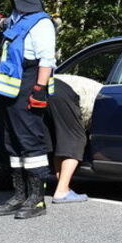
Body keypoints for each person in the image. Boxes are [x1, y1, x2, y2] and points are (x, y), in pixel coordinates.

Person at [0, 0, 57, 220]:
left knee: (30, 142)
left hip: (30, 85)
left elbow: (46, 60)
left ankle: (37, 199)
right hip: (9, 92)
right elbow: (9, 25)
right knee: (12, 143)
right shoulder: (18, 17)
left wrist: (39, 90)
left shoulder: (42, 24)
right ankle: (19, 195)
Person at [46, 74, 102, 203]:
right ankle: (62, 191)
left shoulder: (97, 89)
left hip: (46, 87)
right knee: (76, 139)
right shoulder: (103, 100)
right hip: (65, 92)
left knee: (60, 139)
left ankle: (61, 185)